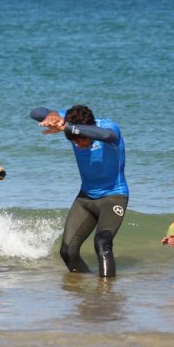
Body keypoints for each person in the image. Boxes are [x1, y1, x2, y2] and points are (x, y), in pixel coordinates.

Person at [30, 104, 128, 278]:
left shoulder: (108, 127)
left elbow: (107, 135)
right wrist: (53, 116)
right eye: (73, 141)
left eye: (80, 139)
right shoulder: (69, 120)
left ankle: (107, 296)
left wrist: (67, 127)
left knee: (102, 243)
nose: (78, 144)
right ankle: (81, 289)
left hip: (114, 196)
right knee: (67, 251)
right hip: (85, 197)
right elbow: (36, 112)